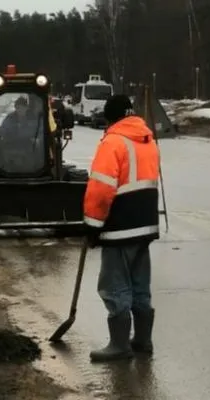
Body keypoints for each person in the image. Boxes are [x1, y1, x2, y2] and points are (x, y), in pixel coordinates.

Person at [82, 95, 161, 362]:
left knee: (114, 284)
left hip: (120, 226)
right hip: (145, 224)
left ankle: (119, 344)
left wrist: (92, 225)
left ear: (111, 117)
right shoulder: (147, 140)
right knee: (140, 284)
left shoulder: (113, 142)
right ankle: (142, 340)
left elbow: (101, 189)